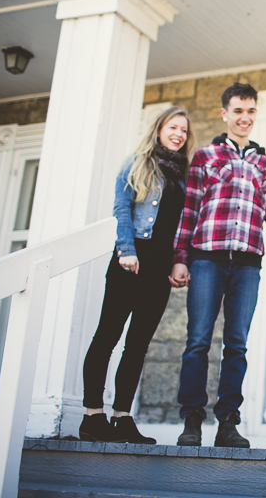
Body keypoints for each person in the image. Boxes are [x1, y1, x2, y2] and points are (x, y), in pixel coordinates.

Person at [171, 82, 266, 448]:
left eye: (250, 111)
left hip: (246, 265)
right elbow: (189, 209)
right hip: (206, 259)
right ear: (225, 114)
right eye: (238, 111)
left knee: (236, 345)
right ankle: (192, 421)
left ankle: (227, 423)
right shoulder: (206, 157)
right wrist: (180, 258)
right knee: (198, 341)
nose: (245, 118)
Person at [78, 106, 194, 444]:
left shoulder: (181, 174)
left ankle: (122, 417)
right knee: (107, 337)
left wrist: (178, 260)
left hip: (159, 268)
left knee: (137, 345)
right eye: (174, 127)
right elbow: (121, 209)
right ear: (159, 128)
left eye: (184, 131)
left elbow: (180, 225)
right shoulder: (137, 162)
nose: (179, 135)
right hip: (131, 260)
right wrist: (125, 249)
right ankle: (92, 416)